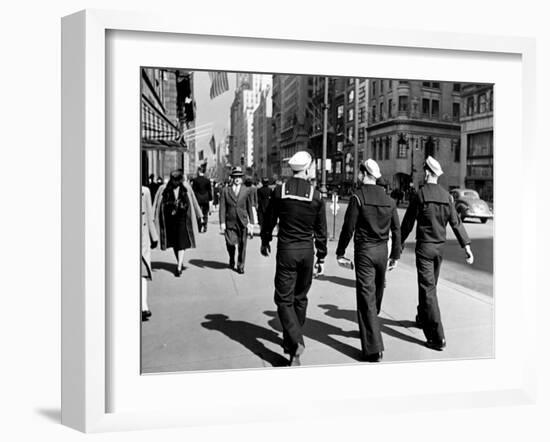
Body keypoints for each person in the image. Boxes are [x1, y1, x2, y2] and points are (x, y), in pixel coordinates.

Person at [260, 150, 327, 366]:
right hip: (307, 252)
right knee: (300, 297)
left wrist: (265, 241)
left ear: (292, 168)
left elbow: (269, 219)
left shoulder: (280, 192)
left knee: (282, 299)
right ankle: (293, 347)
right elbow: (321, 231)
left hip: (287, 251)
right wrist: (321, 258)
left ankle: (295, 341)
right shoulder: (316, 196)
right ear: (307, 169)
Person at [400, 156, 474, 351]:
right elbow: (456, 222)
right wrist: (466, 246)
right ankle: (422, 317)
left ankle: (437, 336)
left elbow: (408, 223)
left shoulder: (420, 194)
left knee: (427, 289)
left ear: (426, 173)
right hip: (440, 249)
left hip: (424, 248)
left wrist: (397, 245)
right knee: (429, 287)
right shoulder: (447, 196)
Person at [335, 159, 401, 362]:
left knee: (366, 298)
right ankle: (370, 327)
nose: (358, 175)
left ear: (364, 174)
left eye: (359, 172)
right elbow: (396, 229)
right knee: (377, 293)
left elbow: (348, 227)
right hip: (382, 251)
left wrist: (340, 252)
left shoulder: (358, 196)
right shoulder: (389, 199)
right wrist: (395, 255)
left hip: (364, 252)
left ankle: (373, 348)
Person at [153, 170, 202, 277]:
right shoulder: (164, 188)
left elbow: (193, 201)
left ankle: (179, 267)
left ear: (180, 179)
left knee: (181, 243)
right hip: (170, 220)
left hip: (183, 219)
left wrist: (200, 215)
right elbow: (156, 203)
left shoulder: (186, 188)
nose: (175, 182)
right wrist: (152, 216)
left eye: (177, 180)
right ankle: (179, 261)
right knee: (175, 243)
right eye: (173, 180)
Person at [219, 167, 255, 274]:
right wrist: (222, 222)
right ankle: (231, 258)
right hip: (230, 220)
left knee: (242, 244)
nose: (237, 179)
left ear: (242, 178)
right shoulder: (226, 190)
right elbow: (222, 207)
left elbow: (249, 207)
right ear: (232, 178)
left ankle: (240, 265)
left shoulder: (246, 190)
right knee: (230, 243)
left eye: (239, 177)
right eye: (235, 177)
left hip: (242, 221)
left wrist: (251, 222)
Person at [141, 186, 158, 321]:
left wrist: (154, 236)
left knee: (142, 273)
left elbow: (149, 215)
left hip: (142, 238)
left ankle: (144, 306)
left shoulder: (145, 191)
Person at [192, 165, 213, 233]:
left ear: (199, 171)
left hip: (198, 199)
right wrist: (210, 199)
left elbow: (194, 191)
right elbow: (209, 191)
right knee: (205, 213)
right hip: (205, 199)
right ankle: (205, 226)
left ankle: (199, 226)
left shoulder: (195, 180)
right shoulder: (207, 180)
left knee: (198, 213)